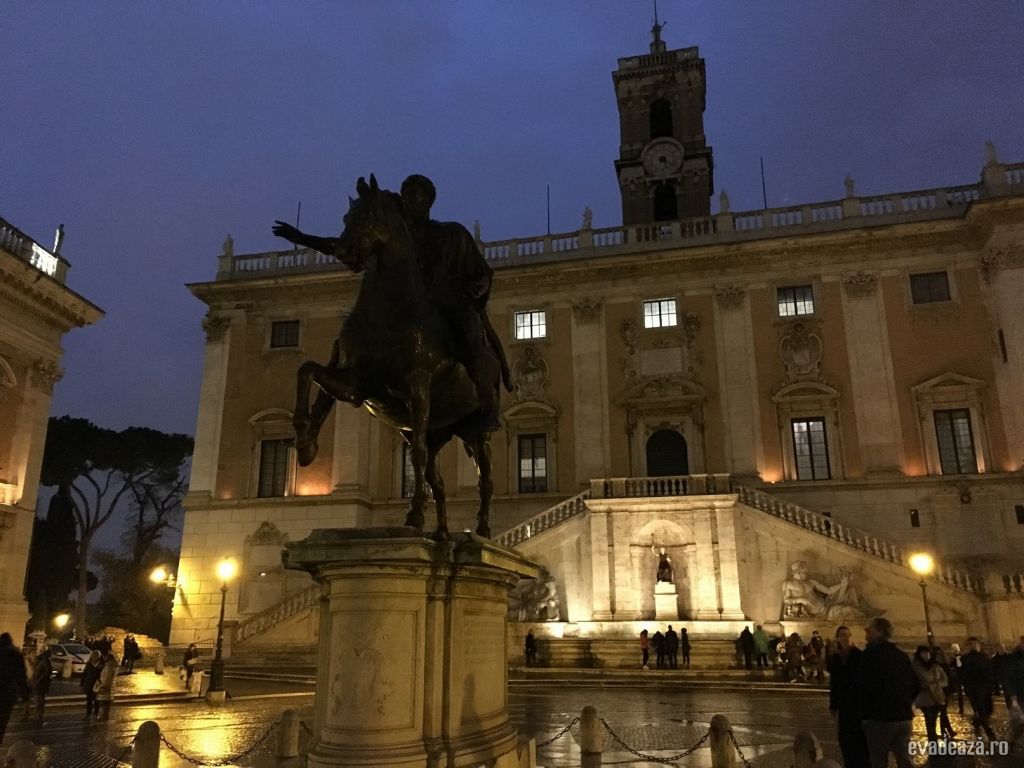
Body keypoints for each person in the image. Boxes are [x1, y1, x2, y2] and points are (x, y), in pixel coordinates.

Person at [858, 617, 916, 768]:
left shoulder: (870, 655)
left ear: (879, 631)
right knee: (905, 760)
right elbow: (915, 684)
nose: (866, 631)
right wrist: (905, 703)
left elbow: (862, 686)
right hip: (904, 717)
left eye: (870, 629)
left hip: (880, 718)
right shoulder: (901, 655)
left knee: (878, 761)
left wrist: (865, 714)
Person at [828, 626, 868, 768]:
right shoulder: (836, 658)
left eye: (847, 635)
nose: (845, 638)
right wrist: (833, 705)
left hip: (858, 705)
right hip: (844, 706)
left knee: (860, 742)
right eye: (842, 635)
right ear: (837, 638)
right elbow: (834, 683)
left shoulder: (859, 655)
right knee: (845, 742)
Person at [960, 637, 997, 739]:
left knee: (988, 710)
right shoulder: (966, 659)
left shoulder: (984, 657)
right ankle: (989, 733)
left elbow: (989, 672)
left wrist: (991, 686)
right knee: (981, 711)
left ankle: (976, 723)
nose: (974, 646)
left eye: (975, 644)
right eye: (971, 644)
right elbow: (964, 676)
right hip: (974, 690)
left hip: (985, 689)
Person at [911, 645, 947, 742]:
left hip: (937, 696)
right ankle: (932, 740)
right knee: (929, 718)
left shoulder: (935, 666)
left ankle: (933, 739)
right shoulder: (915, 667)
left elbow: (945, 680)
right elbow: (912, 682)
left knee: (933, 719)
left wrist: (936, 684)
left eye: (928, 653)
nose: (926, 655)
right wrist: (923, 686)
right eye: (924, 653)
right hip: (924, 697)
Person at [0, 633, 29, 744]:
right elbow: (21, 675)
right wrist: (24, 693)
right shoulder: (14, 653)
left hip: (7, 691)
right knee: (2, 722)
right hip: (7, 693)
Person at [929, 644, 956, 739]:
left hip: (944, 691)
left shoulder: (941, 665)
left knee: (943, 711)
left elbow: (949, 678)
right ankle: (946, 730)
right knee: (942, 711)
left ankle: (945, 730)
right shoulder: (936, 666)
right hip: (939, 691)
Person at [24, 646, 53, 724]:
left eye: (36, 652)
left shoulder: (43, 660)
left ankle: (38, 718)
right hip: (32, 682)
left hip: (39, 684)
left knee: (39, 703)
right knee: (30, 702)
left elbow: (47, 673)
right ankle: (29, 716)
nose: (35, 653)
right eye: (33, 652)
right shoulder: (38, 660)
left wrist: (39, 680)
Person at [94, 650, 118, 721]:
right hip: (110, 690)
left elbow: (106, 678)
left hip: (105, 689)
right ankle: (104, 718)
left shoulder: (108, 667)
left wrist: (102, 686)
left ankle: (102, 718)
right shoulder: (114, 666)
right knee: (106, 706)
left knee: (104, 705)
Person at [81, 650, 103, 720]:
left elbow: (102, 675)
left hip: (96, 684)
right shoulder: (89, 663)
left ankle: (96, 713)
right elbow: (85, 673)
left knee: (96, 700)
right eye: (93, 655)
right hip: (89, 684)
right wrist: (82, 683)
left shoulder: (101, 664)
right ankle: (88, 715)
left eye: (96, 655)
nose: (94, 657)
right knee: (89, 700)